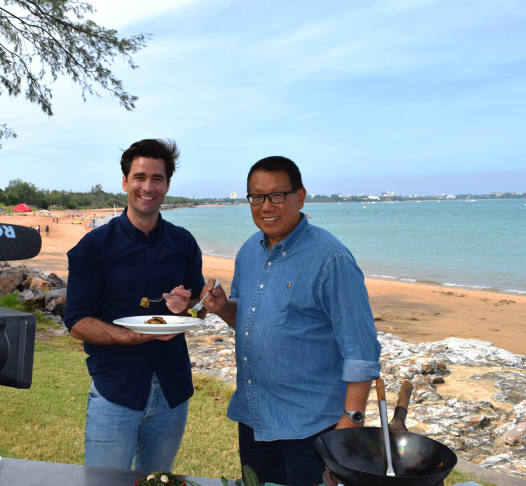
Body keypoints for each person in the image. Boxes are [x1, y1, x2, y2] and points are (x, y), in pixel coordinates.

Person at [199, 156, 381, 486]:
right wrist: (225, 307)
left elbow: (362, 351)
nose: (266, 206)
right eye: (257, 196)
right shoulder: (248, 252)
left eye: (277, 195)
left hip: (313, 429)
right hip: (255, 420)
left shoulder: (332, 258)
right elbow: (249, 320)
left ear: (300, 197)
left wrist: (351, 423)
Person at [64, 138, 206, 472]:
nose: (148, 186)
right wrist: (131, 337)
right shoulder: (94, 247)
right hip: (116, 389)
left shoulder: (183, 242)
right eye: (140, 177)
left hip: (173, 390)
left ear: (167, 185)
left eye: (157, 178)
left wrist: (191, 306)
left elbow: (200, 307)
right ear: (126, 182)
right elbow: (76, 321)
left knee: (158, 481)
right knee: (103, 483)